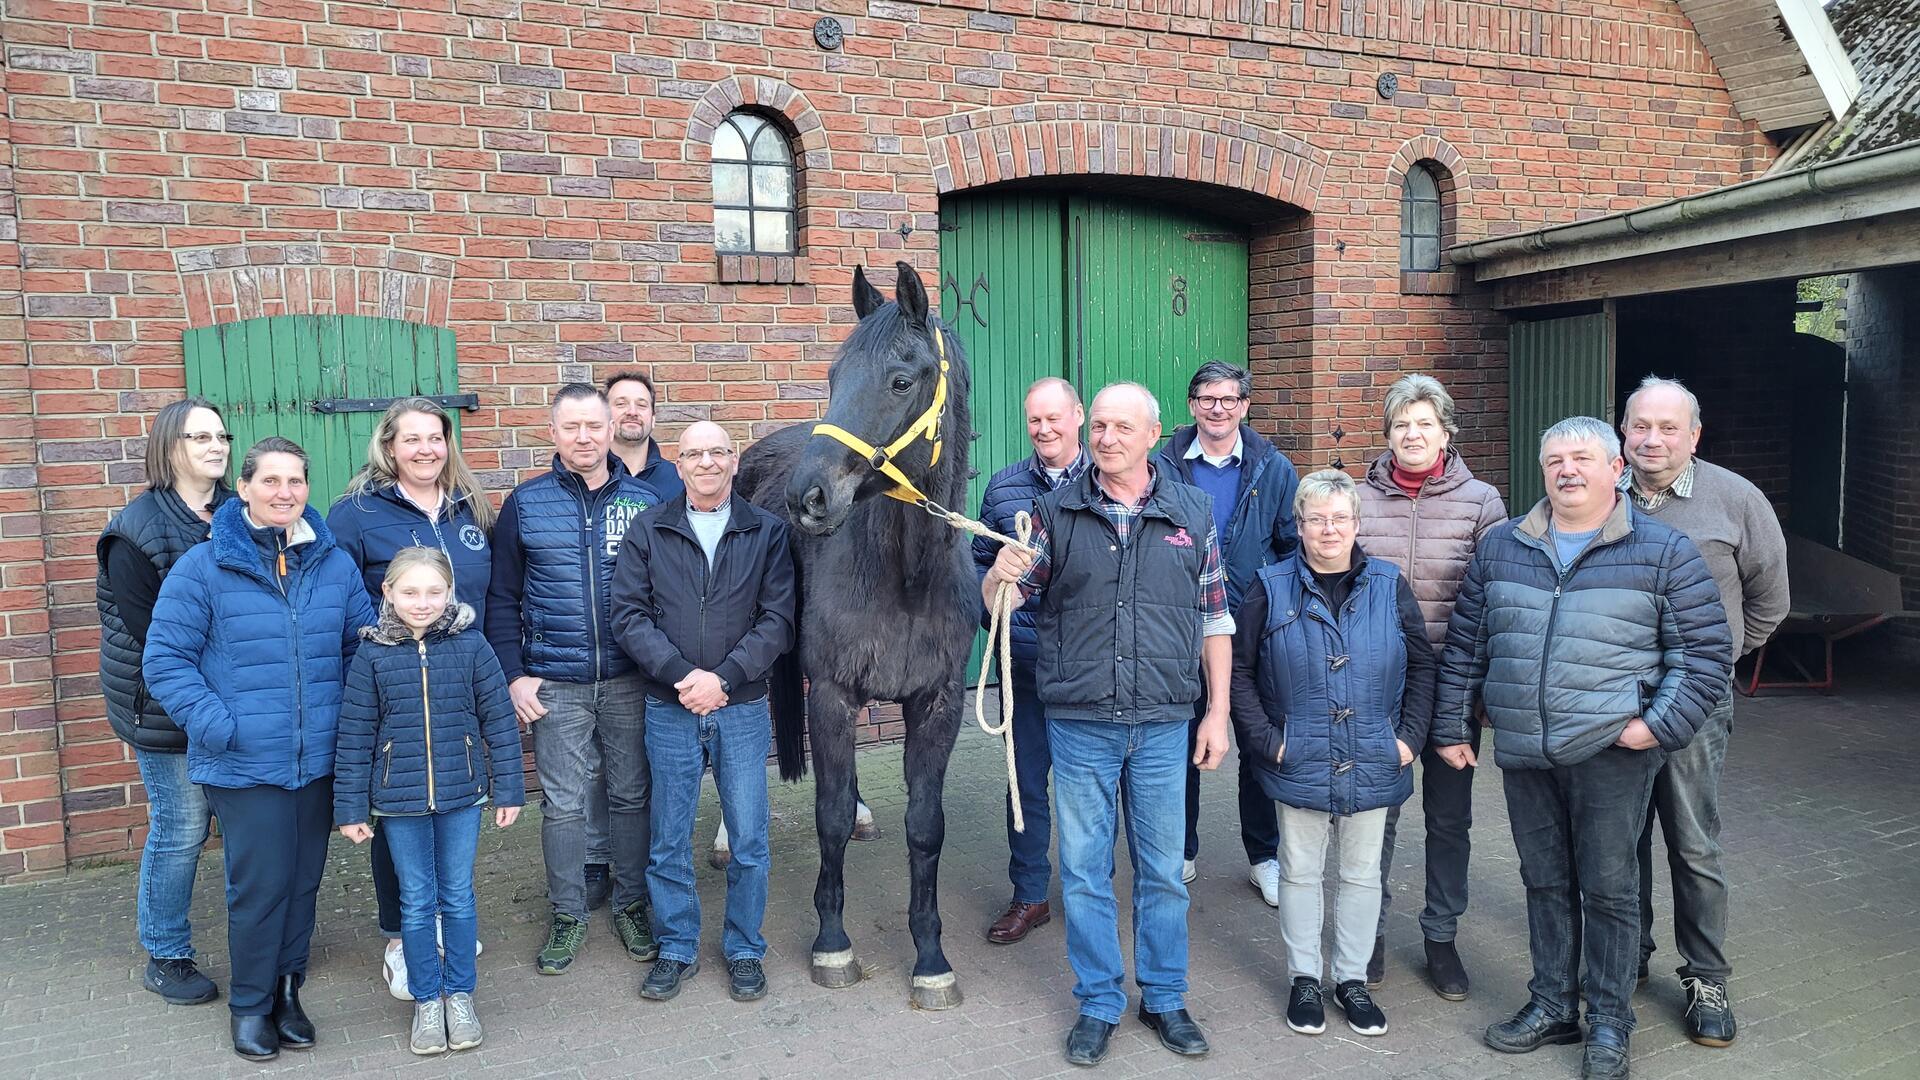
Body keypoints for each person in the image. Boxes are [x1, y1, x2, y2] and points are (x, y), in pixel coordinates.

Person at [1434, 416, 1731, 1080]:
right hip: (1526, 749)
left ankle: (1608, 1021)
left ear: (1616, 469)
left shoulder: (1663, 551)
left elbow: (1705, 657)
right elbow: (1466, 647)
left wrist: (1651, 727)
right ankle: (1551, 1005)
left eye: (1582, 458)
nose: (1567, 470)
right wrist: (1453, 728)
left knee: (1609, 889)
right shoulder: (1502, 547)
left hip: (1611, 752)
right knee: (1544, 882)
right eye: (1554, 460)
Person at [984, 382, 1232, 1067]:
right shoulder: (1053, 512)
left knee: (1160, 872)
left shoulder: (1194, 513)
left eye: (1122, 426)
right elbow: (1006, 596)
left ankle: (1163, 997)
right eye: (1098, 425)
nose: (1106, 437)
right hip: (1081, 720)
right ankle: (1097, 1001)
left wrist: (1217, 712)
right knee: (1087, 872)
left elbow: (1215, 617)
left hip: (1162, 721)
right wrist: (998, 574)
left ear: (1154, 435)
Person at [142, 437, 377, 1061]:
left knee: (302, 884)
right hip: (245, 763)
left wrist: (350, 725)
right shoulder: (204, 567)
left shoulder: (333, 564)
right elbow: (165, 661)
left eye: (295, 481)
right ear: (242, 489)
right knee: (260, 887)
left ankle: (287, 992)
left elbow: (361, 647)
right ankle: (249, 1006)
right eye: (269, 481)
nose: (284, 493)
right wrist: (219, 724)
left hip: (319, 759)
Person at [1230, 469, 1435, 1039]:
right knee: (1298, 872)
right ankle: (1303, 978)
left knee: (1363, 874)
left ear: (1356, 524)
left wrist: (1409, 738)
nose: (1328, 529)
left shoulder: (1389, 585)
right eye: (1315, 518)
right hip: (1298, 755)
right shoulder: (1268, 586)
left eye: (1339, 518)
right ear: (1298, 526)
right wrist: (1269, 741)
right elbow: (1239, 672)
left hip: (1374, 751)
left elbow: (1421, 665)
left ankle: (1351, 980)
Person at [1620, 376, 1787, 1047]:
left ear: (1694, 434)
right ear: (1623, 430)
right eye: (1640, 426)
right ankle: (1627, 956)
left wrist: (1715, 665)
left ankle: (1707, 976)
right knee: (1620, 839)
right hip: (1616, 700)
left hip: (1695, 703)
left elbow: (1769, 599)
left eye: (1668, 428)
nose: (1652, 440)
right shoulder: (1601, 494)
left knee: (1692, 842)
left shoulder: (1736, 500)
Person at [611, 421, 796, 1003]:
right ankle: (676, 947)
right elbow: (628, 616)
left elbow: (778, 619)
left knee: (748, 838)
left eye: (719, 452)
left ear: (734, 461)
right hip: (670, 707)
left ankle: (744, 948)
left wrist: (725, 678)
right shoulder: (650, 528)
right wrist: (682, 676)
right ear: (680, 464)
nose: (708, 463)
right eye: (695, 454)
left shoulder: (766, 532)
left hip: (740, 707)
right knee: (667, 838)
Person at [485, 383, 661, 975]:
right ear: (553, 433)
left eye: (594, 426)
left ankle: (633, 903)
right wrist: (515, 675)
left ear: (612, 429)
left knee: (633, 794)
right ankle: (568, 913)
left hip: (630, 679)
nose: (584, 438)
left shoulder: (645, 503)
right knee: (561, 803)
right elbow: (501, 597)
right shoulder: (525, 504)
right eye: (571, 428)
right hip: (553, 682)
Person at [326, 397, 496, 1000]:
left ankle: (448, 922)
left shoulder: (468, 508)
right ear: (388, 446)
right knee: (399, 809)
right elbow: (341, 604)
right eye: (412, 439)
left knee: (450, 803)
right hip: (391, 686)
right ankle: (401, 936)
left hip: (459, 683)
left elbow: (491, 597)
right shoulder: (354, 514)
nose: (426, 449)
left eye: (436, 438)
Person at [334, 547, 526, 1055]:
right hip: (400, 803)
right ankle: (426, 1000)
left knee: (458, 895)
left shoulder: (472, 646)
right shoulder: (372, 654)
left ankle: (459, 994)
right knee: (417, 901)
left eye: (434, 592)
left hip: (463, 795)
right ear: (388, 593)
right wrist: (351, 807)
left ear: (449, 594)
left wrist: (509, 788)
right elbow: (355, 733)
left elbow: (500, 724)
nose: (422, 602)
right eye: (410, 592)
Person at [1356, 374, 1507, 997]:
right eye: (1400, 425)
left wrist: (1480, 693)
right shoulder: (1358, 500)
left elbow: (1496, 602)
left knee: (1448, 820)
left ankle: (1441, 940)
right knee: (1376, 818)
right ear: (1387, 433)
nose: (1411, 435)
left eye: (1424, 423)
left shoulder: (1482, 503)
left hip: (1453, 685)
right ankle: (1366, 939)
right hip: (1377, 687)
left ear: (1446, 431)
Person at [96, 397, 236, 1007]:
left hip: (238, 701)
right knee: (181, 829)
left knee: (246, 826)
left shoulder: (241, 511)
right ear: (169, 447)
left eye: (222, 435)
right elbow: (158, 641)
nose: (216, 446)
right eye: (200, 436)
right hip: (164, 709)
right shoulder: (136, 530)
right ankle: (166, 952)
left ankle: (262, 940)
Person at [1151, 360, 1298, 895]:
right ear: (1191, 405)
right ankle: (1182, 851)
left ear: (1244, 406)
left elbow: (1290, 548)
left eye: (1229, 399)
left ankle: (1263, 856)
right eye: (1208, 399)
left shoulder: (1274, 469)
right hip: (1178, 631)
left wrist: (1277, 613)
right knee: (1181, 744)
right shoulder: (1163, 465)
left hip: (1253, 633)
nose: (1219, 409)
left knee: (1257, 745)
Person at [972, 376, 1089, 945]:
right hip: (1026, 666)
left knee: (1090, 785)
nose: (1044, 430)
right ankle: (1030, 895)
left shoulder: (1108, 482)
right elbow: (975, 564)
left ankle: (1090, 888)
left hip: (1092, 669)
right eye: (1034, 420)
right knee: (1027, 784)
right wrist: (991, 589)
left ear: (1078, 417)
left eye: (1054, 418)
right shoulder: (1004, 488)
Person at [607, 370, 684, 499]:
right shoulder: (589, 478)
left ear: (653, 419)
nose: (632, 412)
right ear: (604, 415)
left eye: (641, 405)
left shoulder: (679, 480)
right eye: (621, 404)